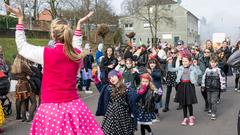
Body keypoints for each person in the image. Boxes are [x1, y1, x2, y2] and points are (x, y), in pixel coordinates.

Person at [5, 4, 103, 134]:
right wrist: (79, 24)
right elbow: (77, 43)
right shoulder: (76, 54)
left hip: (51, 111)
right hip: (74, 108)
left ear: (52, 34)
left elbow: (22, 47)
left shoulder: (46, 54)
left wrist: (20, 19)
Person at [168, 54, 201, 126]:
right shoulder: (180, 68)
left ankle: (191, 117)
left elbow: (199, 73)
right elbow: (171, 69)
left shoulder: (192, 68)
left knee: (189, 102)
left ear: (190, 62)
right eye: (183, 61)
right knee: (183, 102)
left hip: (189, 85)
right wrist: (170, 62)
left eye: (186, 61)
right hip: (181, 85)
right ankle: (185, 117)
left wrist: (196, 66)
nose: (184, 63)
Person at [102, 70, 135, 135]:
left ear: (118, 76)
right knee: (111, 130)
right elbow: (105, 100)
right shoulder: (109, 88)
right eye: (110, 78)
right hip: (111, 112)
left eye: (113, 76)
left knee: (125, 130)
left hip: (123, 112)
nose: (111, 79)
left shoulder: (126, 88)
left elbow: (131, 101)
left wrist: (132, 112)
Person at [201, 55, 226, 120]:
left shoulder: (218, 70)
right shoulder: (207, 70)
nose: (213, 64)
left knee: (213, 101)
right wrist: (203, 86)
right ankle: (210, 108)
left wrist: (223, 87)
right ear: (209, 62)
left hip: (216, 88)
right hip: (208, 88)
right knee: (209, 100)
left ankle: (213, 113)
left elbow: (222, 78)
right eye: (212, 62)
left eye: (214, 62)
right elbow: (204, 78)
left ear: (216, 63)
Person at [11, 55, 33, 122]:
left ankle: (22, 117)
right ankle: (24, 117)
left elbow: (13, 74)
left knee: (20, 100)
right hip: (24, 84)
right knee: (25, 101)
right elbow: (31, 73)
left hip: (18, 84)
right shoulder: (23, 65)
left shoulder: (14, 65)